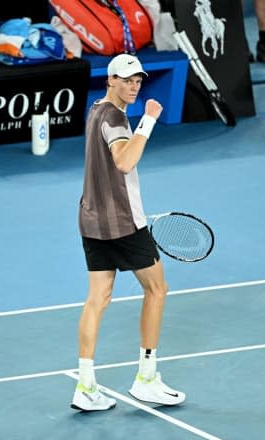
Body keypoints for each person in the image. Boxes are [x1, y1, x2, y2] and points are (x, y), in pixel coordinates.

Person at [71, 53, 186, 412]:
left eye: (138, 80)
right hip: (122, 224)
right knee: (157, 289)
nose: (134, 86)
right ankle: (146, 379)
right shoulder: (117, 118)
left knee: (97, 299)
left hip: (91, 219)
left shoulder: (95, 110)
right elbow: (124, 161)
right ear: (111, 80)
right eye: (126, 80)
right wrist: (149, 121)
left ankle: (85, 387)